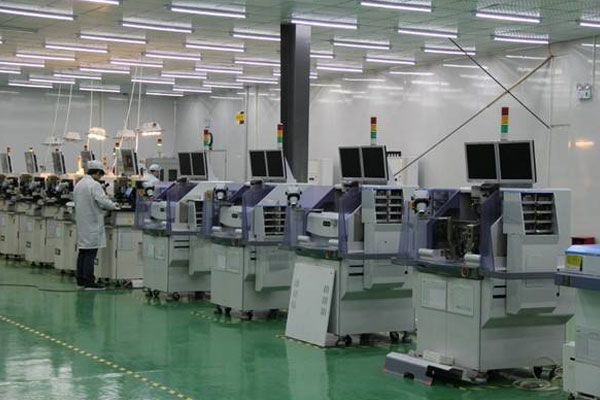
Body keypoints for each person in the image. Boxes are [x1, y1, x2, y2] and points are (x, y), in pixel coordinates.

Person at [73, 160, 117, 290]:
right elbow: (103, 201)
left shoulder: (79, 184)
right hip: (92, 223)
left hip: (83, 223)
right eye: (100, 175)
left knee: (83, 252)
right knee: (90, 254)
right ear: (97, 173)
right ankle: (89, 282)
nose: (100, 177)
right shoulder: (94, 185)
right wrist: (114, 205)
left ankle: (81, 280)